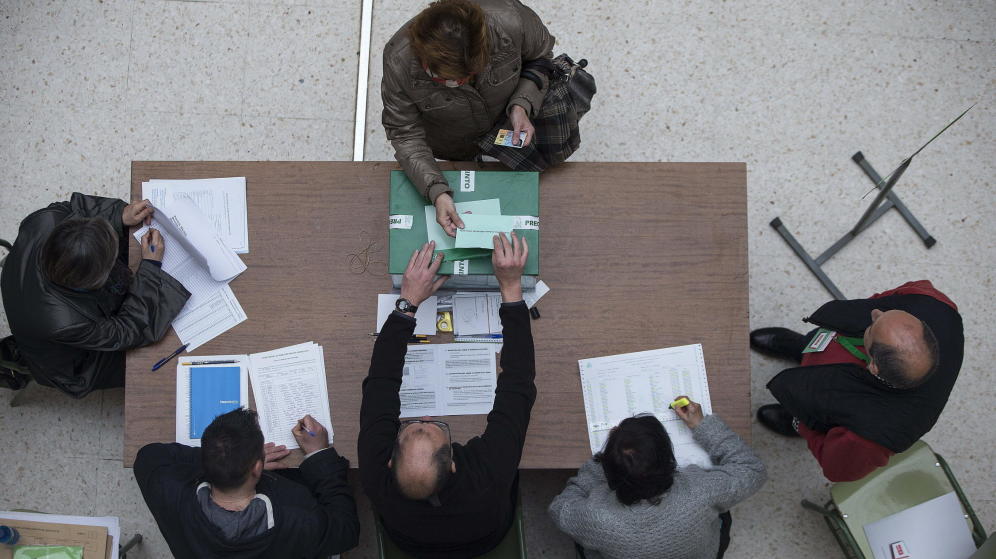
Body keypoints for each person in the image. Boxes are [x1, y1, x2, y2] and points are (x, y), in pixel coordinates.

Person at [359, 232, 534, 557]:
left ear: (389, 459)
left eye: (412, 426)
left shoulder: (372, 473)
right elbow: (518, 384)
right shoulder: (490, 475)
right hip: (487, 536)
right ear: (454, 464)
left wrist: (406, 304)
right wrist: (511, 287)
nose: (424, 417)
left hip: (411, 541)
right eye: (433, 427)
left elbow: (381, 383)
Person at [753, 280, 963, 482]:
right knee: (814, 344)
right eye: (885, 314)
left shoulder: (870, 436)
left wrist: (807, 427)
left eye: (872, 328)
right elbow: (882, 301)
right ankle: (800, 347)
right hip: (833, 345)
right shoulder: (935, 304)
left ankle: (798, 417)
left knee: (807, 410)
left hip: (832, 405)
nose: (875, 312)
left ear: (873, 367)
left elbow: (838, 470)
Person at [381, 0, 556, 237]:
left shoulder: (511, 20)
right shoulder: (399, 62)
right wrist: (437, 192)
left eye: (470, 75)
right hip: (452, 140)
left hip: (506, 120)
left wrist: (521, 104)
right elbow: (404, 133)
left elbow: (541, 56)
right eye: (446, 81)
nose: (459, 83)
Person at [0, 193, 189, 397]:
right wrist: (151, 267)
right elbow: (126, 331)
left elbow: (80, 211)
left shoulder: (48, 219)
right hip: (74, 361)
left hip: (26, 292)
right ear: (95, 282)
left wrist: (119, 216)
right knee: (153, 358)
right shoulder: (67, 322)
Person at [549, 399, 766, 559]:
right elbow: (752, 469)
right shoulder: (702, 491)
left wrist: (601, 463)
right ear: (669, 458)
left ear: (610, 472)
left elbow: (559, 507)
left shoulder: (594, 517)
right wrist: (703, 426)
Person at [134, 409, 359, 558]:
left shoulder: (167, 492)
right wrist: (320, 454)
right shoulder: (297, 517)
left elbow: (147, 456)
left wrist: (226, 460)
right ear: (257, 468)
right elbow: (347, 531)